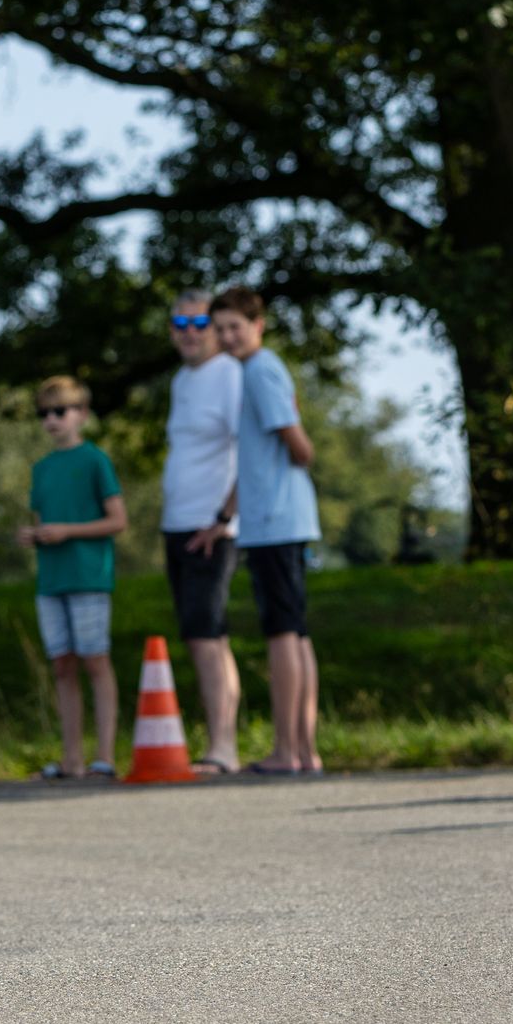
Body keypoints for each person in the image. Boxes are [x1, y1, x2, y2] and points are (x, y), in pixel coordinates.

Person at [195, 288, 322, 775]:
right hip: (272, 519)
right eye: (220, 329)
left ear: (258, 324)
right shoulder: (256, 371)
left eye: (235, 327)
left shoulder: (261, 370)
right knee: (296, 633)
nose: (227, 337)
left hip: (275, 522)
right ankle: (304, 751)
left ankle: (288, 750)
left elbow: (299, 447)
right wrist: (226, 517)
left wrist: (292, 458)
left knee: (282, 634)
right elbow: (254, 461)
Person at [16, 376, 128, 779]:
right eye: (44, 413)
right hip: (51, 580)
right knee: (62, 666)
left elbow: (118, 520)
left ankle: (105, 756)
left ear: (81, 413)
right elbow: (43, 521)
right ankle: (72, 760)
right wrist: (35, 535)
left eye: (60, 411)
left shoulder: (95, 459)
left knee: (95, 661)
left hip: (88, 577)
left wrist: (68, 531)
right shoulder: (42, 468)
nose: (52, 419)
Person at [160, 291, 245, 774]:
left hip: (210, 528)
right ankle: (220, 742)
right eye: (179, 322)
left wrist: (223, 518)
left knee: (208, 634)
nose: (189, 331)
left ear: (214, 328)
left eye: (198, 322)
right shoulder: (181, 380)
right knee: (198, 635)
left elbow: (249, 449)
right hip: (178, 522)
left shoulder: (229, 375)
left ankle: (223, 746)